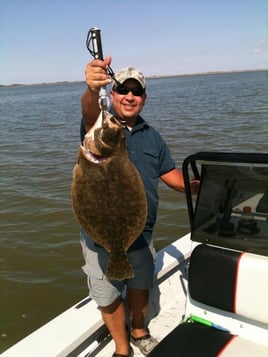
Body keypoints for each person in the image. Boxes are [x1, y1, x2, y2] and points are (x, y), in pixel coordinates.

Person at [79, 56, 199, 357]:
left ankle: (139, 330)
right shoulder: (101, 128)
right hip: (100, 237)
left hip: (141, 232)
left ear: (143, 98)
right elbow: (90, 111)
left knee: (140, 286)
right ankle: (122, 348)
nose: (130, 96)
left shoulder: (152, 135)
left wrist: (192, 186)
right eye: (122, 90)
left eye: (137, 92)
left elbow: (167, 172)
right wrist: (92, 91)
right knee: (106, 295)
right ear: (113, 94)